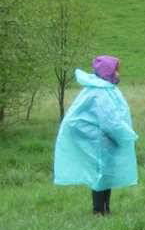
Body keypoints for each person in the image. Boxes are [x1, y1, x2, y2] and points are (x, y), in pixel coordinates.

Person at [54, 55, 139, 215]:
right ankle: (99, 212)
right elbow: (110, 121)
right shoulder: (101, 93)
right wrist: (128, 136)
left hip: (103, 139)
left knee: (106, 175)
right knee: (100, 175)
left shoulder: (101, 88)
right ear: (108, 72)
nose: (119, 74)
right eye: (117, 71)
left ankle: (105, 209)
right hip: (99, 140)